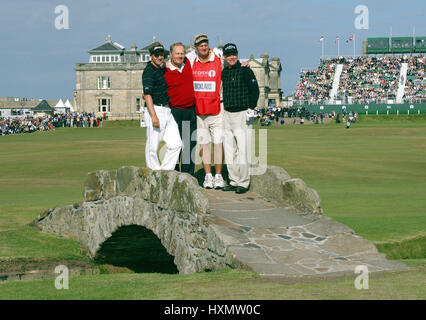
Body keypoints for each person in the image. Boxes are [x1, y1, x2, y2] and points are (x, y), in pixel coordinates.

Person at [186, 34, 225, 189]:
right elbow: (176, 61)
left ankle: (219, 176)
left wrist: (245, 64)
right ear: (195, 47)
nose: (203, 47)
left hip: (217, 107)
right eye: (200, 45)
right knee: (204, 145)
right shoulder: (190, 58)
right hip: (199, 110)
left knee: (218, 144)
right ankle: (208, 176)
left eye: (206, 44)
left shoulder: (218, 56)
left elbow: (231, 61)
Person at [221, 43, 259, 194]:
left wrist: (251, 108)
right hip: (227, 113)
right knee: (229, 150)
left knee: (243, 149)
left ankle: (243, 182)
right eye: (229, 55)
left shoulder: (245, 70)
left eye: (234, 54)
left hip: (242, 113)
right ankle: (233, 180)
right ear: (224, 57)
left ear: (237, 54)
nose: (232, 57)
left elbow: (254, 90)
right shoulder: (224, 72)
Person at [142, 41, 182, 170]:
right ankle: (154, 173)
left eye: (161, 54)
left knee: (176, 144)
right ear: (151, 56)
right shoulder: (149, 71)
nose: (160, 57)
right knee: (152, 147)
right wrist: (153, 116)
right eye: (156, 55)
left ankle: (164, 172)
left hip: (166, 110)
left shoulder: (161, 68)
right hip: (155, 109)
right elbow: (147, 94)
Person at [164, 42, 197, 175]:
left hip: (190, 111)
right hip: (174, 112)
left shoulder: (188, 63)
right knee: (175, 145)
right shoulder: (164, 70)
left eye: (182, 53)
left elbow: (202, 51)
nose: (180, 56)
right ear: (171, 54)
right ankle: (175, 173)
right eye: (177, 53)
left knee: (189, 145)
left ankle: (188, 175)